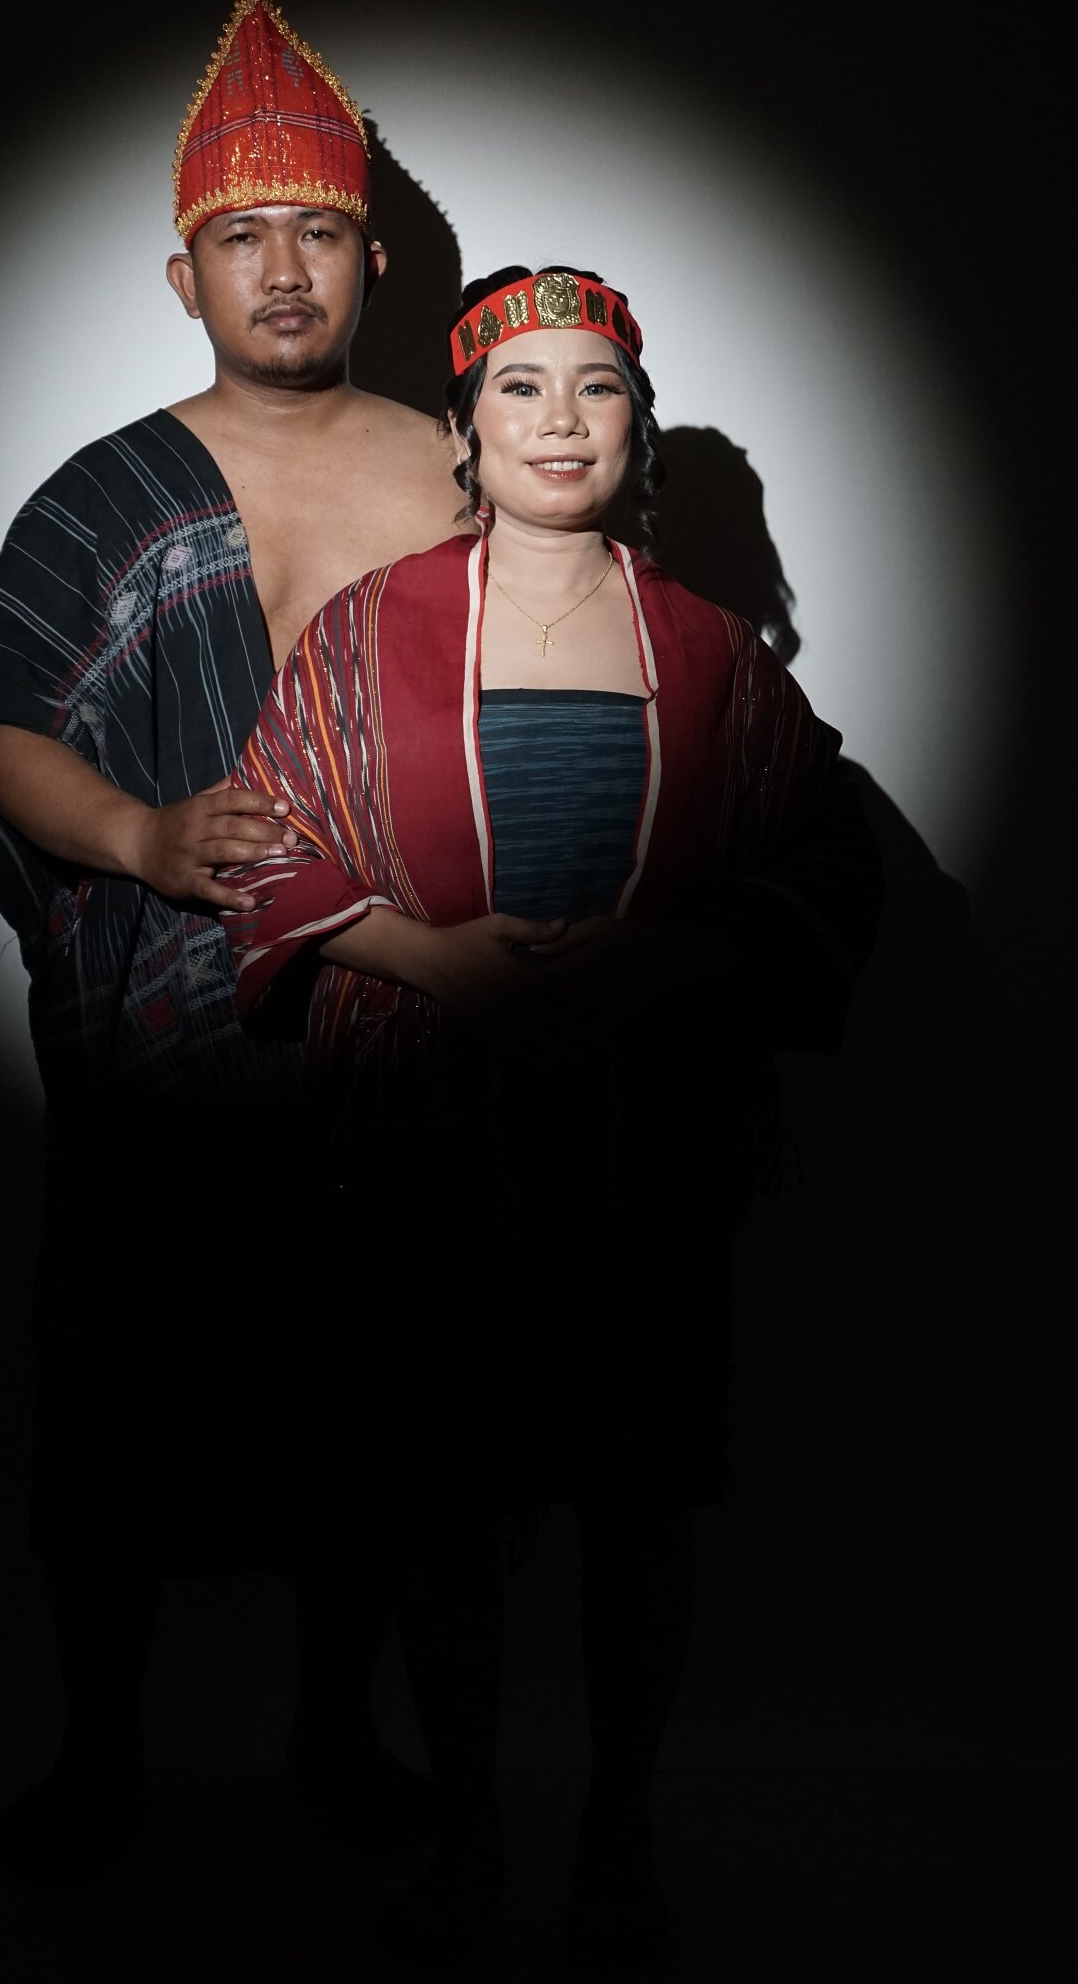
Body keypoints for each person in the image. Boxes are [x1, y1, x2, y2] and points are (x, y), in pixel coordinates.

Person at [223, 262, 886, 1966]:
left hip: (644, 1147)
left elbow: (829, 861)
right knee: (441, 1509)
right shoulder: (368, 628)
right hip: (429, 1144)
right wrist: (436, 965)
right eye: (520, 387)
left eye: (598, 388)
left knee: (633, 1510)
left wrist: (667, 957)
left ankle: (616, 1842)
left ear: (636, 431)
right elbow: (266, 843)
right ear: (465, 429)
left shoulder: (709, 649)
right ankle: (468, 1847)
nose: (561, 420)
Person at [0, 0, 465, 1887]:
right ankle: (100, 1757)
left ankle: (338, 1745)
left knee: (375, 1394)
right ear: (182, 275)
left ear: (371, 261)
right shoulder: (115, 483)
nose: (282, 271)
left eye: (317, 234)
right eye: (242, 239)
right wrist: (138, 833)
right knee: (123, 1394)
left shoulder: (458, 466)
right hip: (163, 1027)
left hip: (395, 1018)